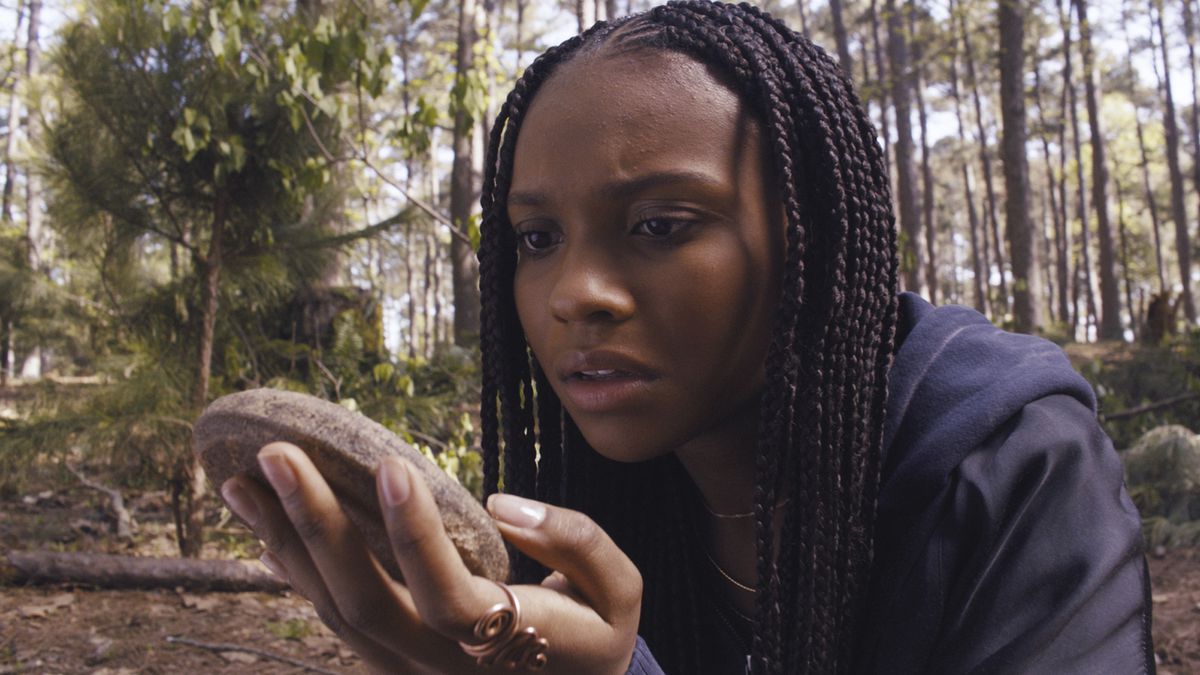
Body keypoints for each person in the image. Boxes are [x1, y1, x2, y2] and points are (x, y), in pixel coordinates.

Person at [216, 2, 1155, 673]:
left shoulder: (1013, 468)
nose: (572, 294)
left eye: (661, 223)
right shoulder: (589, 495)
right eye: (537, 239)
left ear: (807, 243)